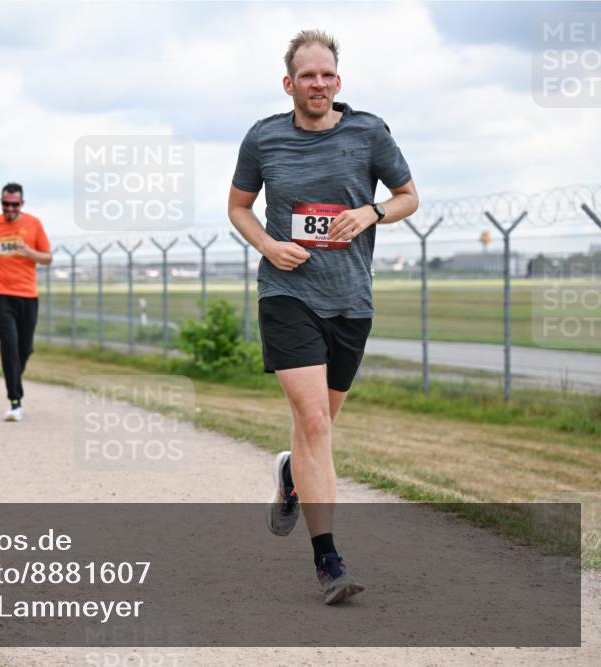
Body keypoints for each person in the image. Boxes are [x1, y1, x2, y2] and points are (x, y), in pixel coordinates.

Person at [227, 30, 418, 605]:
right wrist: (268, 245)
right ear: (289, 83)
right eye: (307, 75)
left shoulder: (368, 133)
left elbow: (408, 196)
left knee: (321, 425)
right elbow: (239, 207)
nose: (318, 83)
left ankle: (292, 475)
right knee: (313, 423)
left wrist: (371, 212)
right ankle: (328, 560)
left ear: (339, 80)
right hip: (287, 294)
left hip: (351, 300)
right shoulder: (264, 138)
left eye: (327, 74)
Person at [0, 183, 52, 422]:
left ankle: (14, 374)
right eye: (6, 204)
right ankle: (15, 401)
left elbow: (48, 258)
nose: (10, 208)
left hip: (27, 294)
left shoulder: (34, 224)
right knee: (9, 344)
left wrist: (30, 253)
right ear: (1, 202)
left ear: (22, 204)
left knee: (25, 348)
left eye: (15, 204)